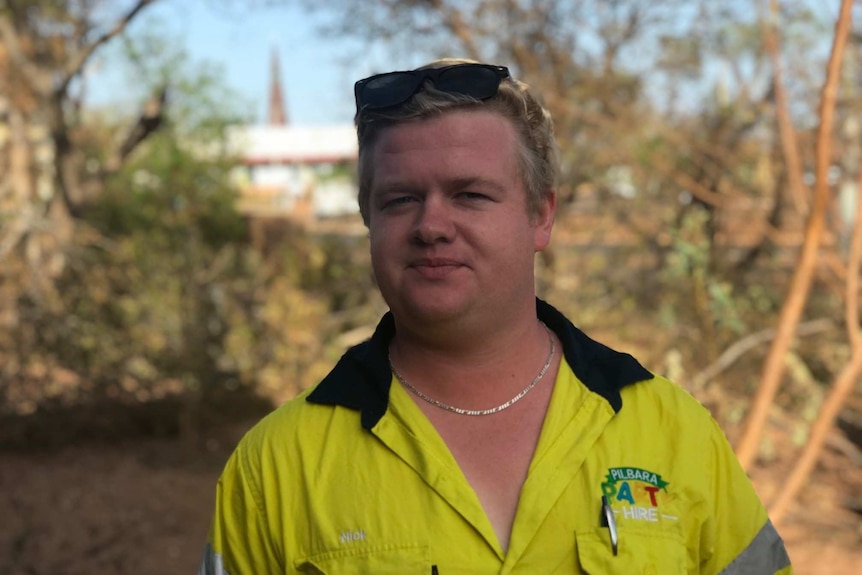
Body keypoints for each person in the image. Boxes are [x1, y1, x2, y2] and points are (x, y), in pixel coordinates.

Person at [199, 58, 793, 574]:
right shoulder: (275, 467)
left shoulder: (673, 433)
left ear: (541, 216)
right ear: (368, 220)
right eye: (401, 199)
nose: (432, 225)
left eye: (470, 195)